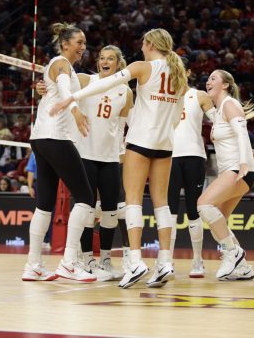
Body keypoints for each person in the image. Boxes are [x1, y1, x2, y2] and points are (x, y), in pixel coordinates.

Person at [50, 28, 187, 289]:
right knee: (162, 204)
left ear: (149, 44)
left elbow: (108, 83)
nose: (142, 47)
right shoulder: (180, 74)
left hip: (140, 142)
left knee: (132, 201)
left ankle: (135, 261)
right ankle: (165, 261)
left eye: (143, 43)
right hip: (166, 143)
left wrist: (72, 97)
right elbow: (179, 113)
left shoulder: (142, 67)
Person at [23, 23, 96, 283]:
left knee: (44, 204)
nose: (83, 48)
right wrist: (75, 111)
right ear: (65, 43)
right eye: (80, 42)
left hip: (40, 138)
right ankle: (68, 262)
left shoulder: (59, 66)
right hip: (56, 137)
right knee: (86, 197)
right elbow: (65, 88)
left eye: (85, 43)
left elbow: (59, 87)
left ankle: (33, 265)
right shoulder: (61, 63)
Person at [63, 45, 134, 281]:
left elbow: (124, 127)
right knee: (87, 209)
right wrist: (43, 87)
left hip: (110, 157)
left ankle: (104, 260)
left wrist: (123, 154)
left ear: (118, 64)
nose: (105, 61)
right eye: (102, 58)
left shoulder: (125, 92)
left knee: (111, 211)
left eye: (110, 58)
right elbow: (60, 85)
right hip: (84, 155)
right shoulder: (85, 80)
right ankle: (87, 260)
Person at [196, 69, 254, 281]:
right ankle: (243, 268)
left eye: (213, 78)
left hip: (238, 170)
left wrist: (243, 162)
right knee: (218, 222)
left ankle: (233, 253)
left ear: (225, 85)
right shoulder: (220, 109)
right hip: (232, 170)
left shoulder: (230, 104)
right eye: (207, 78)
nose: (208, 81)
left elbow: (242, 133)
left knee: (204, 205)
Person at [164, 57, 216, 278]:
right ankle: (166, 262)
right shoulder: (163, 97)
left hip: (194, 156)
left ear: (188, 71)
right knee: (169, 211)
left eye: (178, 69)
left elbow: (219, 122)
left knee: (194, 210)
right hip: (169, 157)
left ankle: (198, 261)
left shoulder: (199, 96)